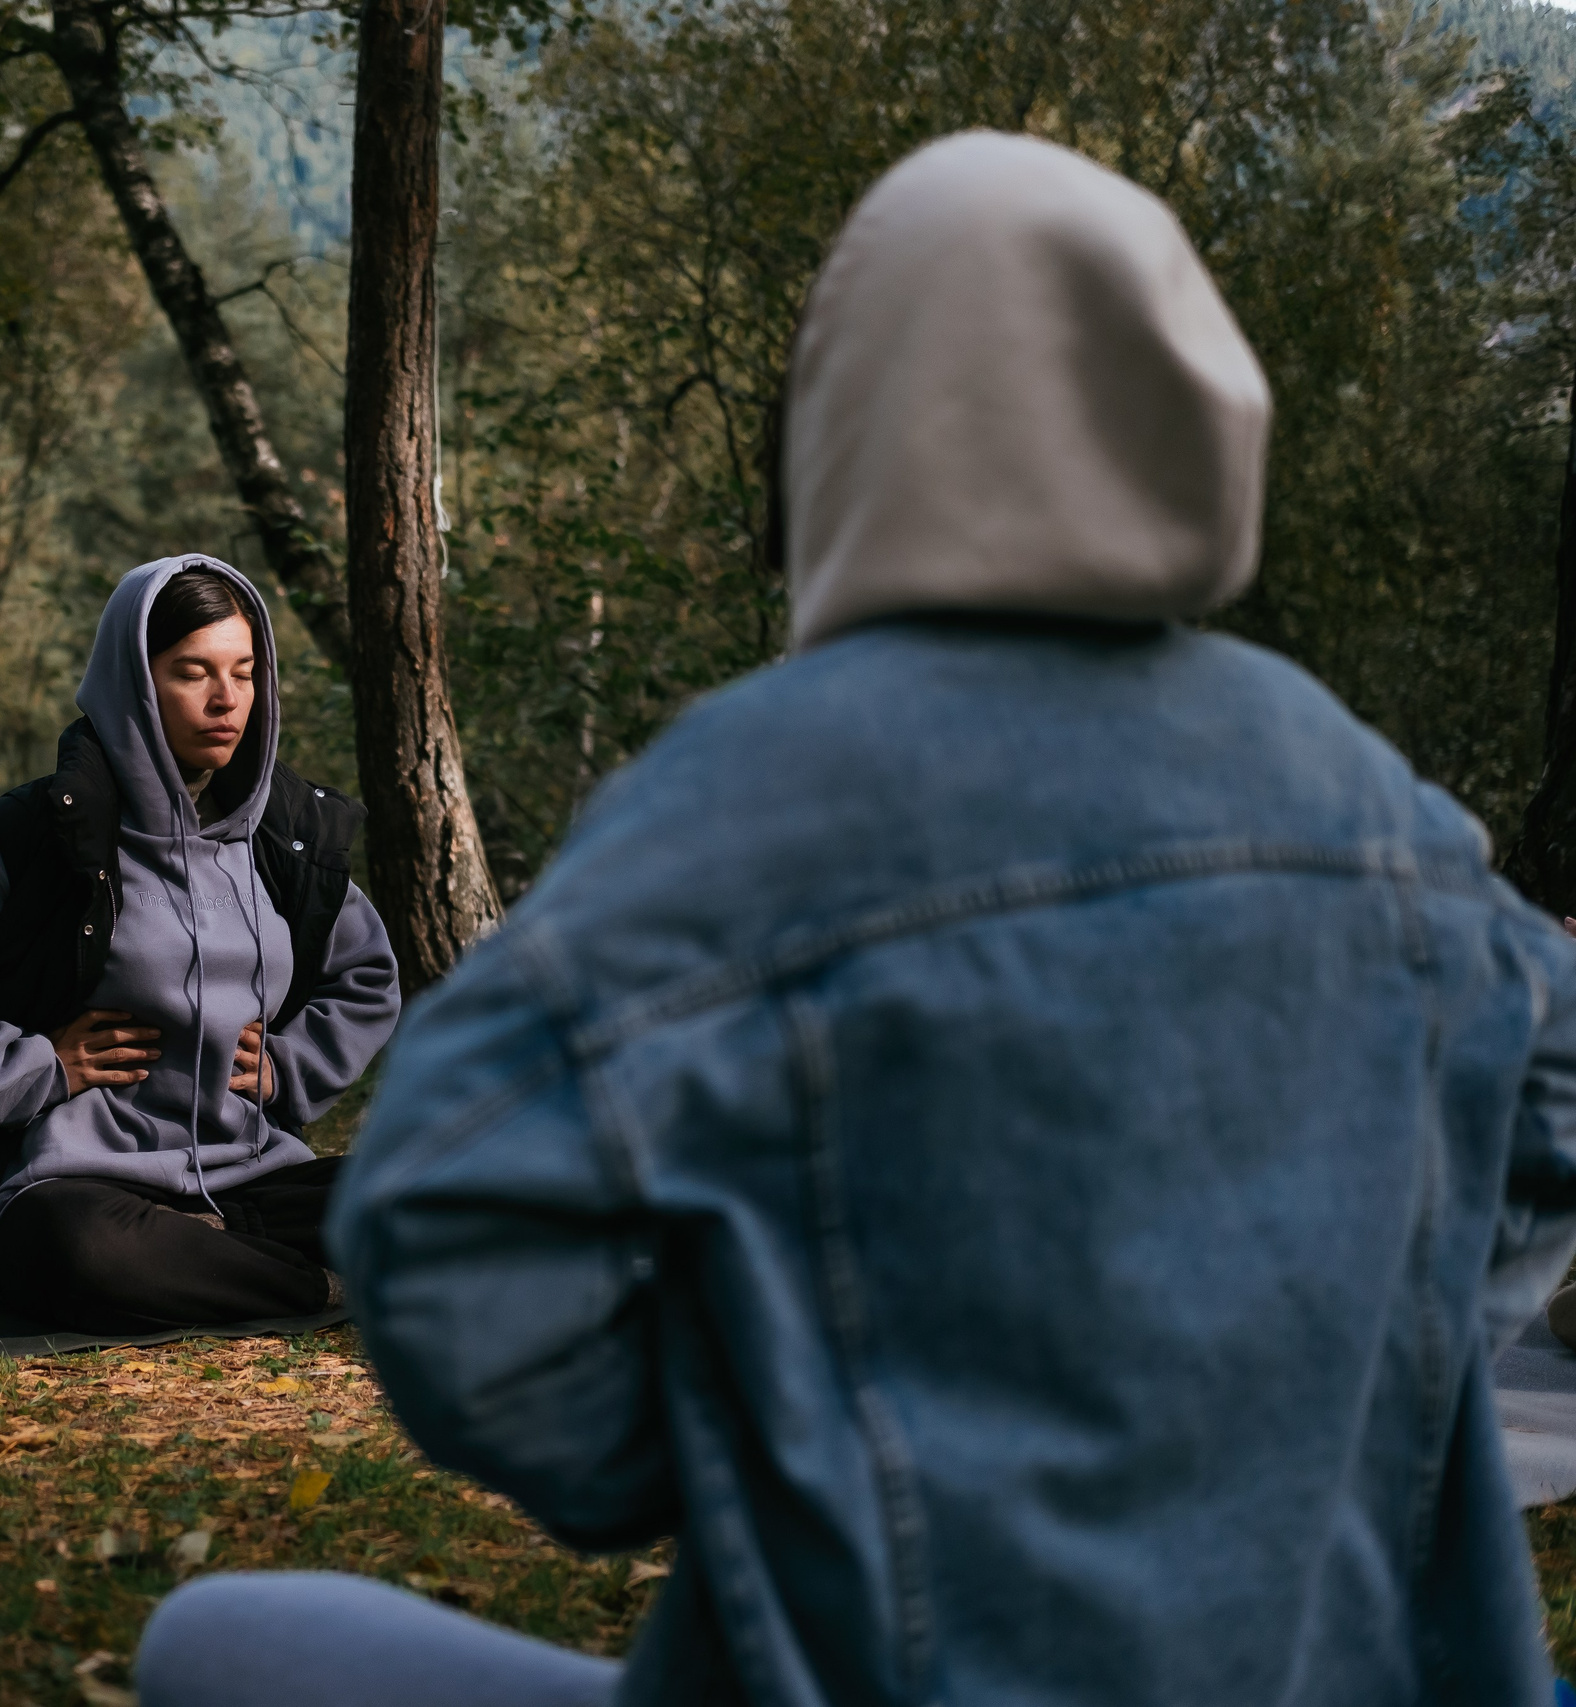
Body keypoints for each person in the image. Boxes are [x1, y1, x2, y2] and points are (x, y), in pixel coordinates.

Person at [135, 132, 1576, 1706]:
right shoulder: (1365, 797)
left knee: (213, 1640)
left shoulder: (745, 803)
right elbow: (1557, 1100)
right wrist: (1371, 1338)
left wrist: (717, 1458)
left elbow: (426, 1220)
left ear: (842, 434)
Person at [0, 557, 400, 1331]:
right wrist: (30, 1068)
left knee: (438, 1191)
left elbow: (367, 973)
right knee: (80, 1250)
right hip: (75, 1186)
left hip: (249, 1178)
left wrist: (288, 1068)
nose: (227, 699)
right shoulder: (48, 833)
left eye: (245, 672)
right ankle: (318, 1288)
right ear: (135, 681)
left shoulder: (281, 839)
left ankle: (220, 1250)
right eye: (193, 672)